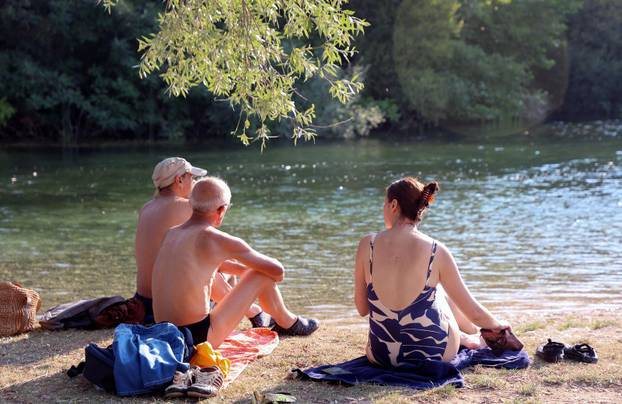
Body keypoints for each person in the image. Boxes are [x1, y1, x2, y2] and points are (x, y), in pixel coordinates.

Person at [353, 177, 511, 366]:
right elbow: (473, 311)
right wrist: (497, 325)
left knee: (432, 290)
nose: (383, 209)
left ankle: (470, 336)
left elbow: (362, 308)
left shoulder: (367, 245)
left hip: (381, 356)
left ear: (394, 205)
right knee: (437, 291)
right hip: (432, 354)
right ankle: (471, 338)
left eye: (384, 204)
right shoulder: (436, 250)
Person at [152, 177, 319, 346]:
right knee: (260, 274)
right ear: (222, 210)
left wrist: (242, 270)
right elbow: (277, 271)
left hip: (162, 333)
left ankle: (271, 318)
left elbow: (202, 266)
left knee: (245, 272)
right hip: (196, 338)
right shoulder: (214, 237)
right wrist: (251, 273)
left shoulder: (172, 233)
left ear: (191, 204)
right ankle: (288, 322)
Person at [134, 157, 271, 327]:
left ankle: (247, 312)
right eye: (192, 177)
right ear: (180, 179)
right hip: (172, 304)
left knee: (216, 266)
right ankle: (252, 312)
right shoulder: (186, 207)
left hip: (144, 302)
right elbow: (210, 257)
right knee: (211, 265)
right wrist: (251, 271)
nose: (195, 182)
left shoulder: (146, 208)